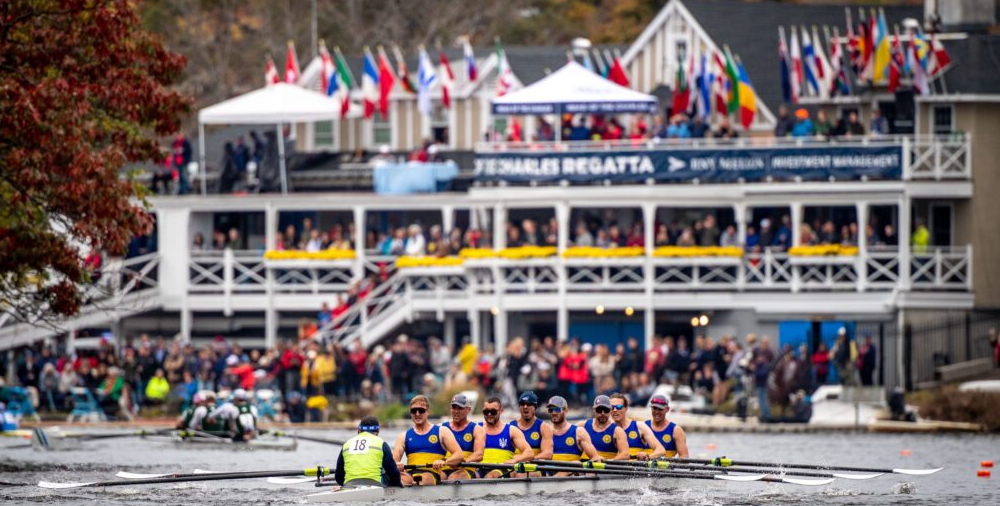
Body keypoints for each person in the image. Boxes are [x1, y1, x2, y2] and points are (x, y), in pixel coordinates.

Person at [393, 395, 463, 486]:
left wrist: (444, 461)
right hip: (410, 474)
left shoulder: (442, 431)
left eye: (421, 410)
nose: (417, 414)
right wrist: (397, 463)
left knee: (424, 478)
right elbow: (394, 459)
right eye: (414, 411)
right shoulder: (403, 436)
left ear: (428, 412)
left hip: (431, 474)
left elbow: (459, 455)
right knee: (397, 478)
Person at [335, 416, 403, 488]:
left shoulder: (347, 444)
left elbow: (339, 476)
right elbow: (393, 472)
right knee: (386, 474)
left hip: (349, 484)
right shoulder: (381, 443)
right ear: (378, 431)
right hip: (375, 484)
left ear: (358, 430)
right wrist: (397, 485)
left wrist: (344, 486)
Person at [479, 396, 534, 478]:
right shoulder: (477, 429)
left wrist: (515, 460)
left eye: (493, 411)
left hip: (502, 469)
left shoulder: (511, 431)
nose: (489, 414)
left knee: (490, 476)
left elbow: (529, 453)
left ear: (501, 411)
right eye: (486, 411)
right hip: (479, 468)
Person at [546, 396, 600, 471]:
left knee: (576, 464)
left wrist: (580, 467)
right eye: (550, 410)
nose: (554, 413)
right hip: (548, 476)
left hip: (571, 477)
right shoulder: (545, 431)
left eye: (557, 409)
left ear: (566, 410)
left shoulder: (578, 432)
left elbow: (595, 458)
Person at [608, 392, 664, 460]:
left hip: (634, 468)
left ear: (626, 408)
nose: (615, 410)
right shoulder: (606, 428)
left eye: (618, 407)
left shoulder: (639, 426)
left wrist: (648, 456)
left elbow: (661, 450)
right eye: (612, 407)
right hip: (614, 468)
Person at [442, 393, 485, 480]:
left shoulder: (477, 429)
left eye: (460, 408)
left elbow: (479, 455)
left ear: (468, 410)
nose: (456, 411)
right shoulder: (442, 428)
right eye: (454, 407)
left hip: (466, 468)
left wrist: (463, 461)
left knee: (454, 477)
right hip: (445, 468)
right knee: (436, 478)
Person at [510, 391, 553, 473]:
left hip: (535, 467)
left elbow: (548, 454)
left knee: (520, 474)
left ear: (535, 407)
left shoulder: (544, 427)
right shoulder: (511, 426)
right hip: (514, 467)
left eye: (529, 404)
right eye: (522, 404)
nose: (525, 407)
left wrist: (525, 458)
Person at [576, 395, 629, 460]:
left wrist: (609, 461)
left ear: (610, 410)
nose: (603, 413)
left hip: (606, 468)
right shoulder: (582, 426)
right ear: (594, 410)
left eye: (606, 410)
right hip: (584, 467)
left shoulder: (617, 431)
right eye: (599, 410)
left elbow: (625, 454)